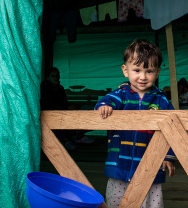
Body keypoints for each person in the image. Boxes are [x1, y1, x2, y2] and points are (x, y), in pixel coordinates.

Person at [95, 39, 176, 208]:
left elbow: (172, 130)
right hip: (120, 163)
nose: (143, 77)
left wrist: (168, 156)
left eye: (149, 71)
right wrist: (104, 106)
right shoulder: (121, 94)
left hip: (151, 164)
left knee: (151, 204)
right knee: (116, 203)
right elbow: (105, 101)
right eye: (137, 70)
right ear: (126, 70)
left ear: (158, 72)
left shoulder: (161, 100)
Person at [40, 67, 78, 150]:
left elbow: (64, 102)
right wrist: (64, 108)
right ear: (48, 77)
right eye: (53, 76)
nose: (56, 77)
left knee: (77, 112)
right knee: (59, 117)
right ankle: (64, 140)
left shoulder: (60, 88)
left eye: (57, 75)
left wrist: (70, 106)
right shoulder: (44, 88)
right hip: (49, 113)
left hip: (61, 111)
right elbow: (48, 104)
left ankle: (76, 136)